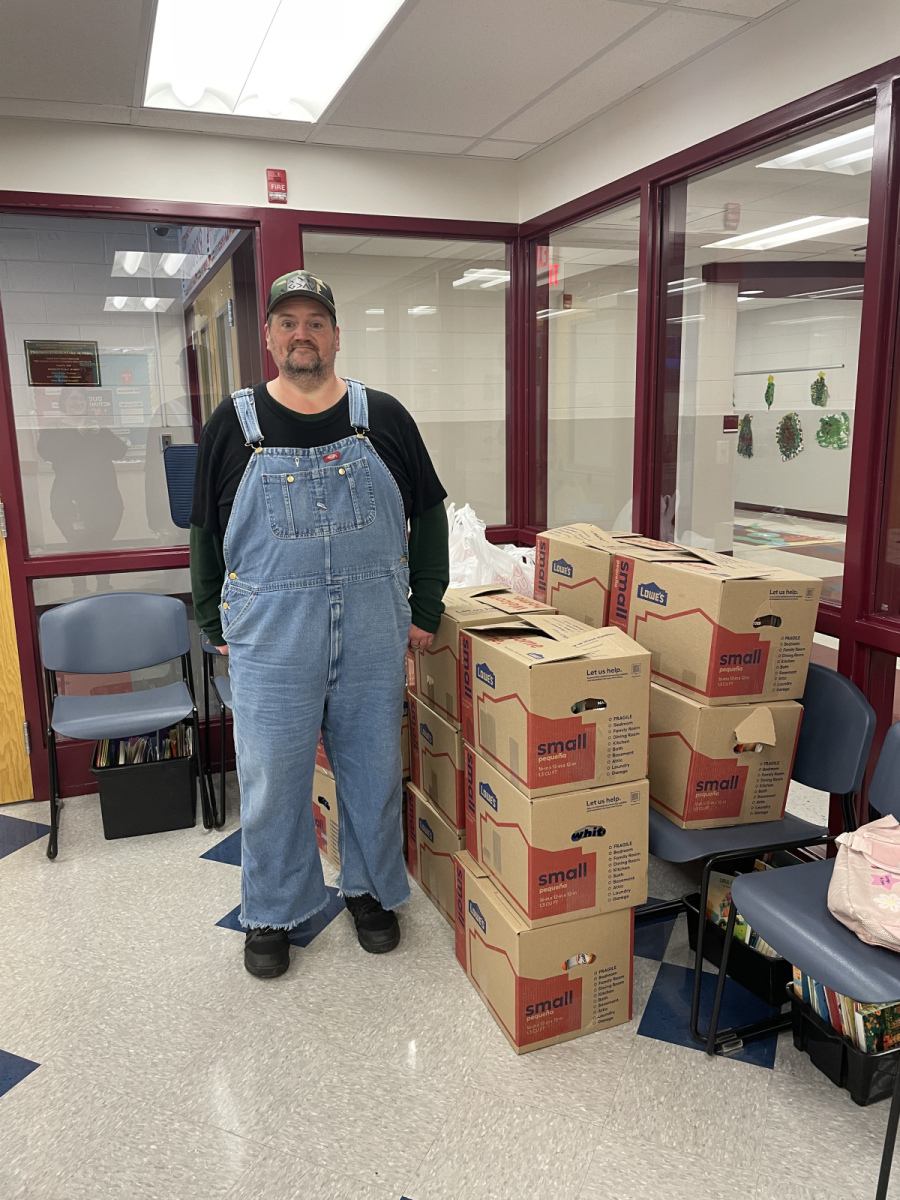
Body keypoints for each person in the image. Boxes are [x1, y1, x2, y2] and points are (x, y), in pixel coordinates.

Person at [190, 270, 449, 978]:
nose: (301, 334)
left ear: (335, 335)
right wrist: (213, 616)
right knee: (272, 778)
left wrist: (426, 605)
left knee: (372, 767)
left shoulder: (383, 416)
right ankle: (273, 911)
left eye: (314, 322)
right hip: (271, 629)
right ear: (270, 337)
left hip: (371, 626)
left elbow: (428, 513)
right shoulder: (233, 424)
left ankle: (370, 892)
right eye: (288, 322)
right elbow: (205, 532)